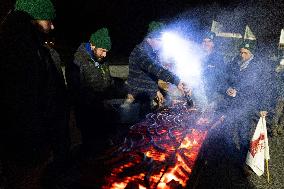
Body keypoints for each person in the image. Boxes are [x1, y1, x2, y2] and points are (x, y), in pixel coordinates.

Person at [0, 0, 70, 188]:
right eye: (48, 20)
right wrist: (39, 145)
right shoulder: (19, 49)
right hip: (28, 147)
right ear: (34, 18)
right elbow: (23, 103)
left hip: (36, 141)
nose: (52, 25)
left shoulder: (34, 47)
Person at [68, 28, 119, 157]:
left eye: (107, 52)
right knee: (91, 150)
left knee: (105, 150)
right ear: (92, 45)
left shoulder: (101, 59)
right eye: (103, 51)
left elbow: (107, 80)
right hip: (88, 115)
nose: (105, 55)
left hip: (104, 111)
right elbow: (77, 90)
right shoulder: (77, 61)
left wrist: (117, 90)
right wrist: (98, 102)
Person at [225, 40, 273, 174]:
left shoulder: (258, 66)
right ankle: (229, 158)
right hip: (232, 103)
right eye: (241, 52)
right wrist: (227, 88)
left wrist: (264, 107)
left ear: (251, 53)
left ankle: (245, 162)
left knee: (243, 133)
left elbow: (265, 87)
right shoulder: (235, 62)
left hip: (247, 104)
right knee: (228, 130)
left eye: (245, 53)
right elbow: (226, 78)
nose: (242, 55)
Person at [126, 21, 189, 120]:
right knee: (136, 129)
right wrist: (176, 80)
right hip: (136, 99)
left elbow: (150, 75)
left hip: (145, 97)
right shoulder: (140, 52)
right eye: (159, 40)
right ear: (149, 38)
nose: (161, 43)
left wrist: (155, 90)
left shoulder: (151, 52)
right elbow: (156, 69)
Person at [200, 31, 228, 114]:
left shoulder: (218, 58)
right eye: (204, 41)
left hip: (212, 94)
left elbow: (223, 76)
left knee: (207, 117)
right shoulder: (197, 56)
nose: (206, 44)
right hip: (198, 91)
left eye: (209, 41)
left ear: (213, 44)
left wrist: (216, 95)